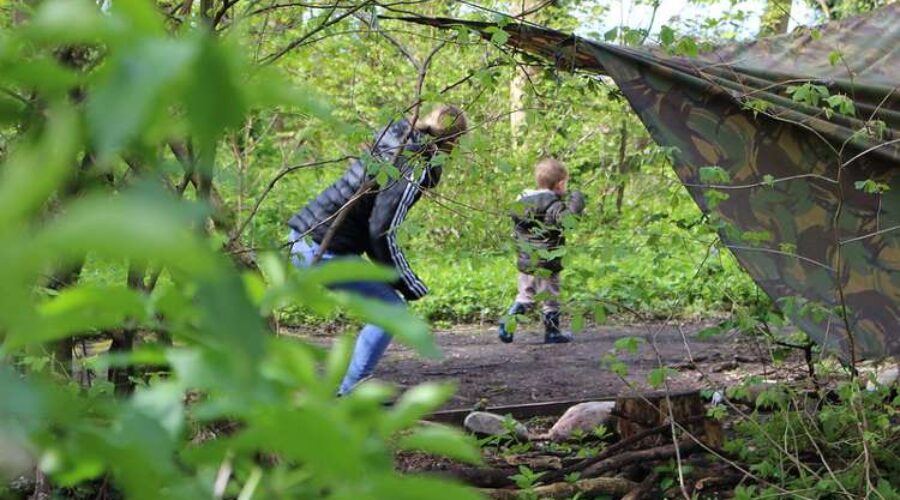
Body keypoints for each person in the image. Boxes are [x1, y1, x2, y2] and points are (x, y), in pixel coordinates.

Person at [287, 104, 467, 395]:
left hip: (301, 236)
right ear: (453, 143)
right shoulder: (414, 166)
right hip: (322, 248)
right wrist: (407, 283)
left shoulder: (395, 137)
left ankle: (348, 383)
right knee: (391, 308)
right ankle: (351, 388)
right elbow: (381, 230)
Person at [498, 158, 585, 344]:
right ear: (560, 184)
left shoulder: (522, 203)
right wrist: (577, 200)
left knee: (525, 296)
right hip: (547, 262)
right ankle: (552, 333)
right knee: (550, 298)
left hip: (526, 262)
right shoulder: (552, 204)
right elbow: (568, 222)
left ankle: (508, 322)